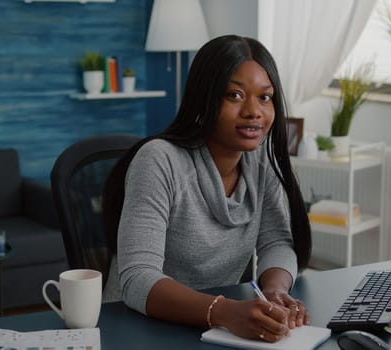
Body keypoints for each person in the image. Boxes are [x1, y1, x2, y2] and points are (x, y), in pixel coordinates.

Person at [102, 34, 312, 343]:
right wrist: (226, 312)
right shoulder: (160, 160)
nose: (254, 111)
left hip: (213, 331)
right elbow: (137, 279)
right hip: (134, 328)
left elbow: (276, 242)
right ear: (204, 98)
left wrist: (275, 291)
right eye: (234, 95)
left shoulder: (261, 161)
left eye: (265, 97)